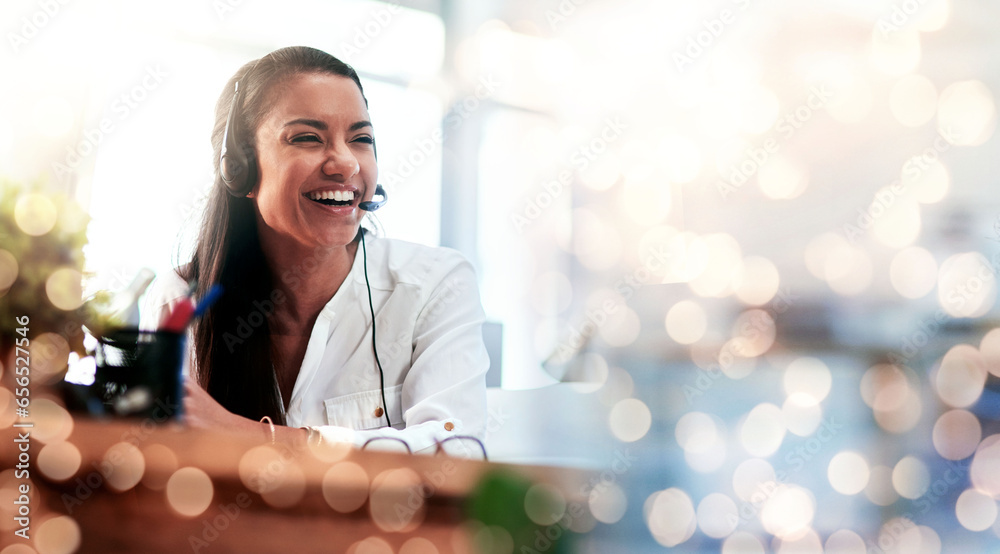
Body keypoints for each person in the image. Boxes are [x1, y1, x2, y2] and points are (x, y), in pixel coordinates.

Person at [142, 46, 489, 454]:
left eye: (361, 139)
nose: (345, 163)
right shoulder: (183, 300)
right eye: (307, 138)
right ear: (240, 169)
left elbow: (457, 452)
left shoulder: (434, 283)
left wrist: (259, 438)